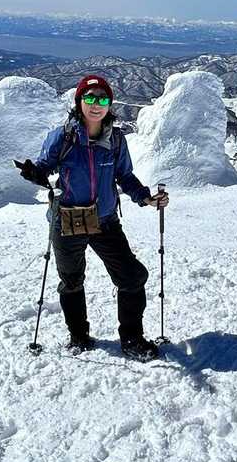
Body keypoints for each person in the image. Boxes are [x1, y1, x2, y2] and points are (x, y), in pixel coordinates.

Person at [15, 74, 169, 360]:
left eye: (102, 98)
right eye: (90, 97)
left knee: (133, 276)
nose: (96, 104)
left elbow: (125, 176)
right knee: (71, 281)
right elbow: (45, 167)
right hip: (67, 220)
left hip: (104, 221)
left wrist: (145, 197)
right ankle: (79, 336)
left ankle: (132, 340)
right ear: (79, 101)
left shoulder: (116, 140)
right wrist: (35, 172)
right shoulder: (63, 137)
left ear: (109, 104)